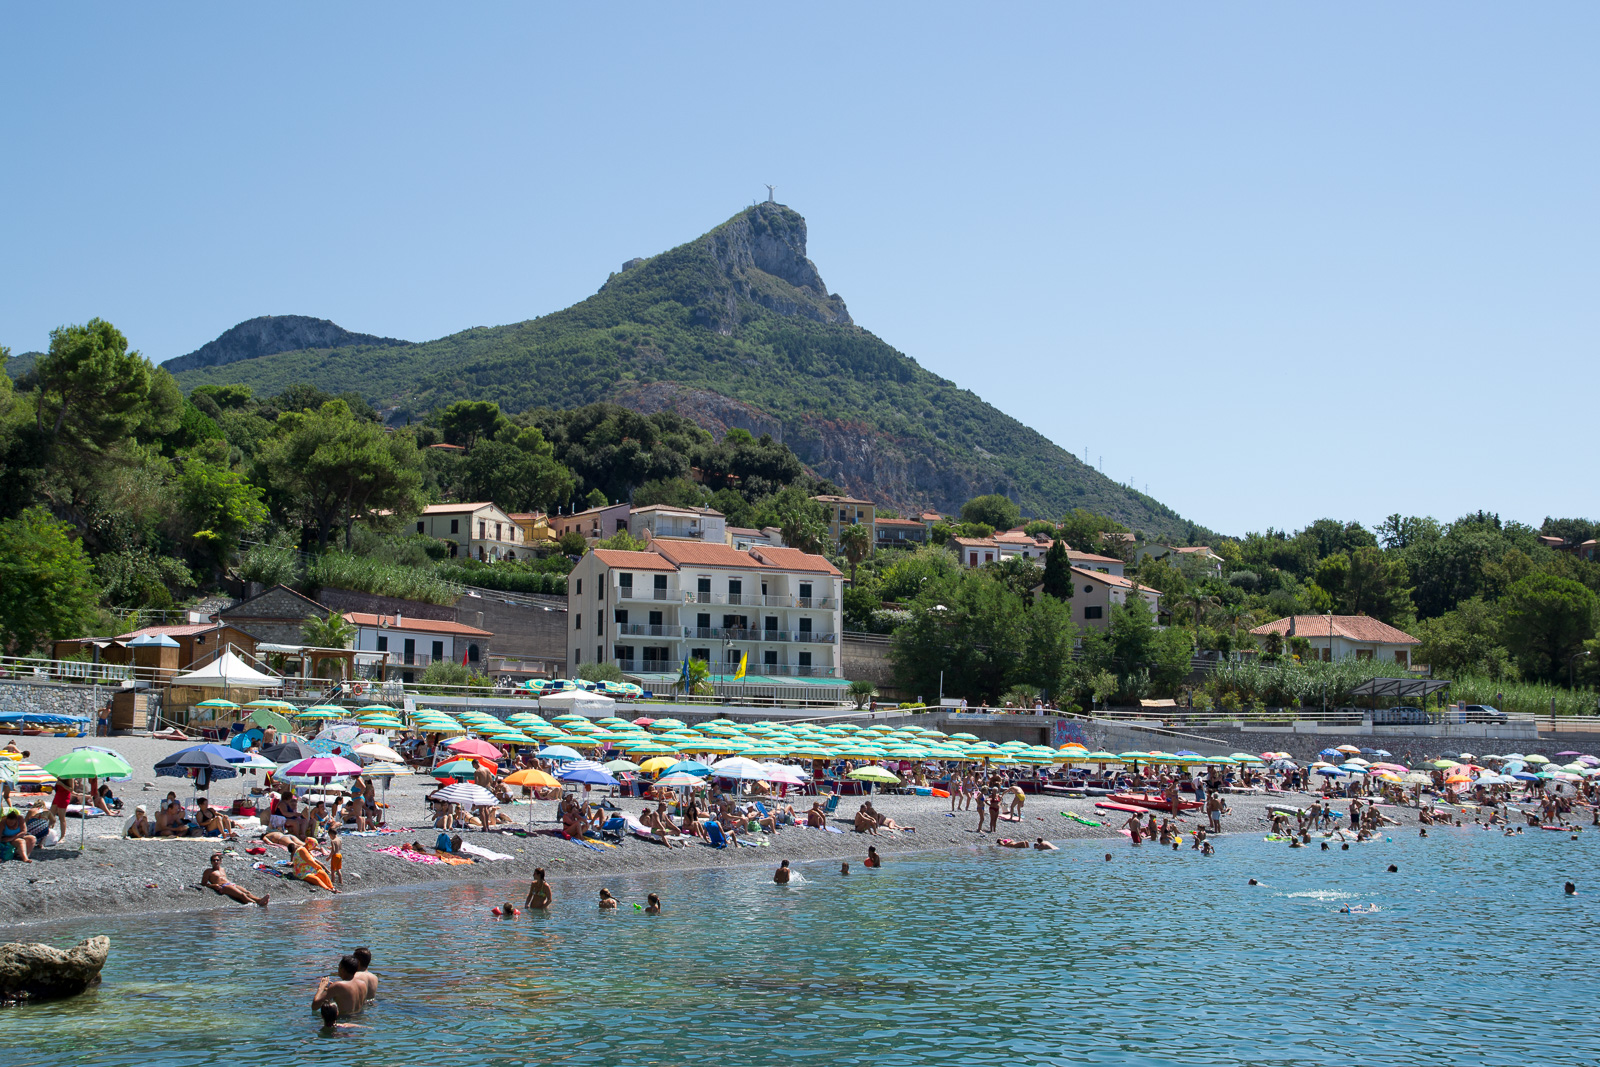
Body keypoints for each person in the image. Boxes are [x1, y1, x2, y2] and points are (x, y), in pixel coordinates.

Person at [201, 853, 269, 906]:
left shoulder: (222, 869)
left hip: (230, 884)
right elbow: (203, 883)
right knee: (242, 895)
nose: (216, 861)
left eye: (217, 860)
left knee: (247, 892)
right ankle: (256, 904)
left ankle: (259, 900)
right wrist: (214, 886)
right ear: (211, 862)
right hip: (223, 886)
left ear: (220, 861)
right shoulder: (208, 871)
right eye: (214, 860)